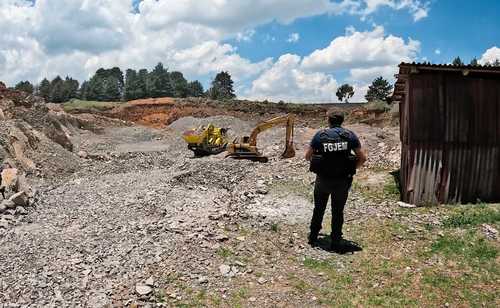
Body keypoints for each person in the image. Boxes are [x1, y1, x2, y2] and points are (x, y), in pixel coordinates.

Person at [305, 110, 367, 252]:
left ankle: (313, 236)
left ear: (329, 120)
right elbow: (362, 158)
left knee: (319, 209)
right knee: (337, 212)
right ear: (342, 120)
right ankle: (336, 242)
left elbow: (308, 157)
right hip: (342, 182)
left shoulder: (320, 135)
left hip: (322, 180)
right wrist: (351, 169)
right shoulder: (350, 136)